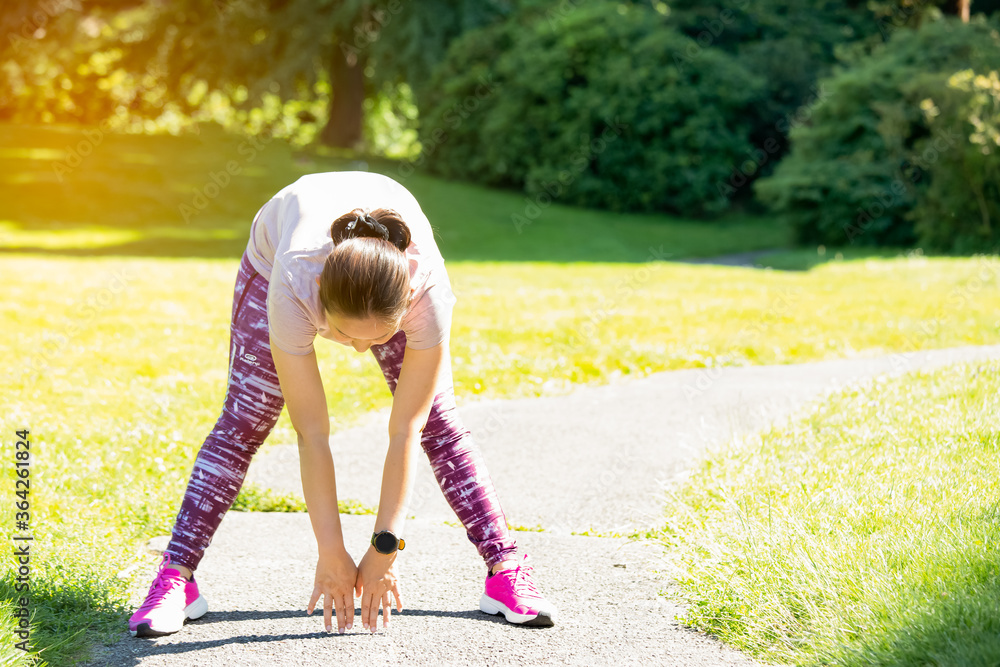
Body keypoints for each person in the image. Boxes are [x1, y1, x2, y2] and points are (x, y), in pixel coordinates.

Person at [127, 171, 557, 638]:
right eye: (345, 333)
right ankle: (175, 579)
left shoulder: (428, 296)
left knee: (438, 422)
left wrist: (384, 549)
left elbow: (405, 430)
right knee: (246, 418)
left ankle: (506, 570)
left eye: (373, 337)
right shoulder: (295, 281)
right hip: (274, 257)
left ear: (407, 304)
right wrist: (331, 551)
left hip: (385, 279)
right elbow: (312, 434)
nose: (355, 349)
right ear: (322, 307)